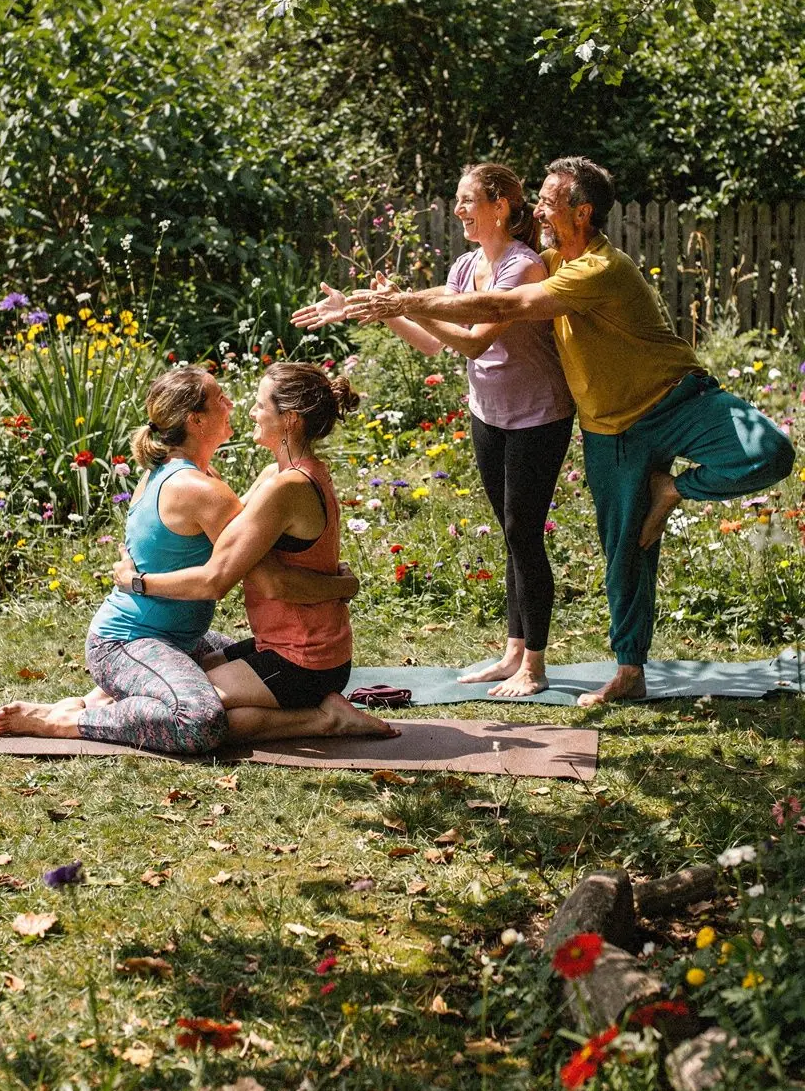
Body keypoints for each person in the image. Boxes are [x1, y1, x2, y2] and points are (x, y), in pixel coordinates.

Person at [340, 157, 796, 707]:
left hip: (678, 398)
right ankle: (631, 671)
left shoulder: (600, 269)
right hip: (610, 429)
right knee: (626, 549)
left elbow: (507, 305)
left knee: (770, 452)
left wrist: (403, 301)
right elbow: (476, 302)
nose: (539, 208)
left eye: (549, 200)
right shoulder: (550, 260)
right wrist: (383, 305)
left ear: (581, 211)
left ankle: (668, 492)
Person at [0, 365, 392, 750]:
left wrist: (345, 584)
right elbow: (242, 564)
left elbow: (236, 573)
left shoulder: (203, 478)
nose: (240, 406)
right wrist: (343, 584)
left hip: (251, 645)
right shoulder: (241, 482)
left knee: (199, 707)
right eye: (222, 398)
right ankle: (82, 712)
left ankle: (88, 707)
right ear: (195, 419)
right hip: (143, 638)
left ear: (289, 420)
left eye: (258, 404)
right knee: (196, 710)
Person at [294, 163, 574, 696]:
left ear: (501, 206)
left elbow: (472, 341)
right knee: (513, 537)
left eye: (469, 200)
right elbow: (432, 340)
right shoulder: (467, 266)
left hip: (540, 415)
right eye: (458, 200)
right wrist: (370, 310)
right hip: (488, 413)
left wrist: (404, 304)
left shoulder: (524, 267)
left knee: (523, 534)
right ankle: (513, 652)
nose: (459, 210)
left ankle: (534, 666)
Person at [110, 361, 398, 742]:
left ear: (290, 420)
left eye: (261, 404)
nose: (249, 410)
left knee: (190, 711)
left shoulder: (289, 487)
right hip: (283, 644)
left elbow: (226, 576)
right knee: (174, 681)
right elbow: (227, 535)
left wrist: (137, 581)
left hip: (303, 658)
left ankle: (325, 719)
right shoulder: (276, 476)